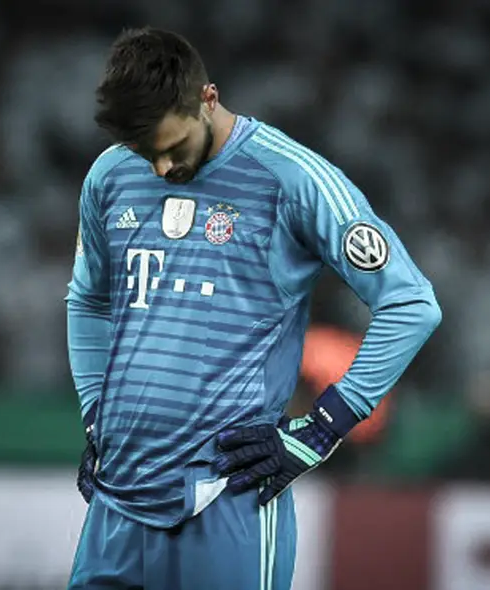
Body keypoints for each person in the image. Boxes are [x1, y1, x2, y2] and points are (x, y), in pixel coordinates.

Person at [65, 26, 442, 590]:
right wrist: (96, 411)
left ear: (207, 99)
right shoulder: (110, 175)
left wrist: (322, 428)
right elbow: (88, 302)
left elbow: (412, 304)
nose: (163, 170)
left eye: (173, 148)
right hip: (117, 498)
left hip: (226, 496)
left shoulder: (292, 178)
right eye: (147, 153)